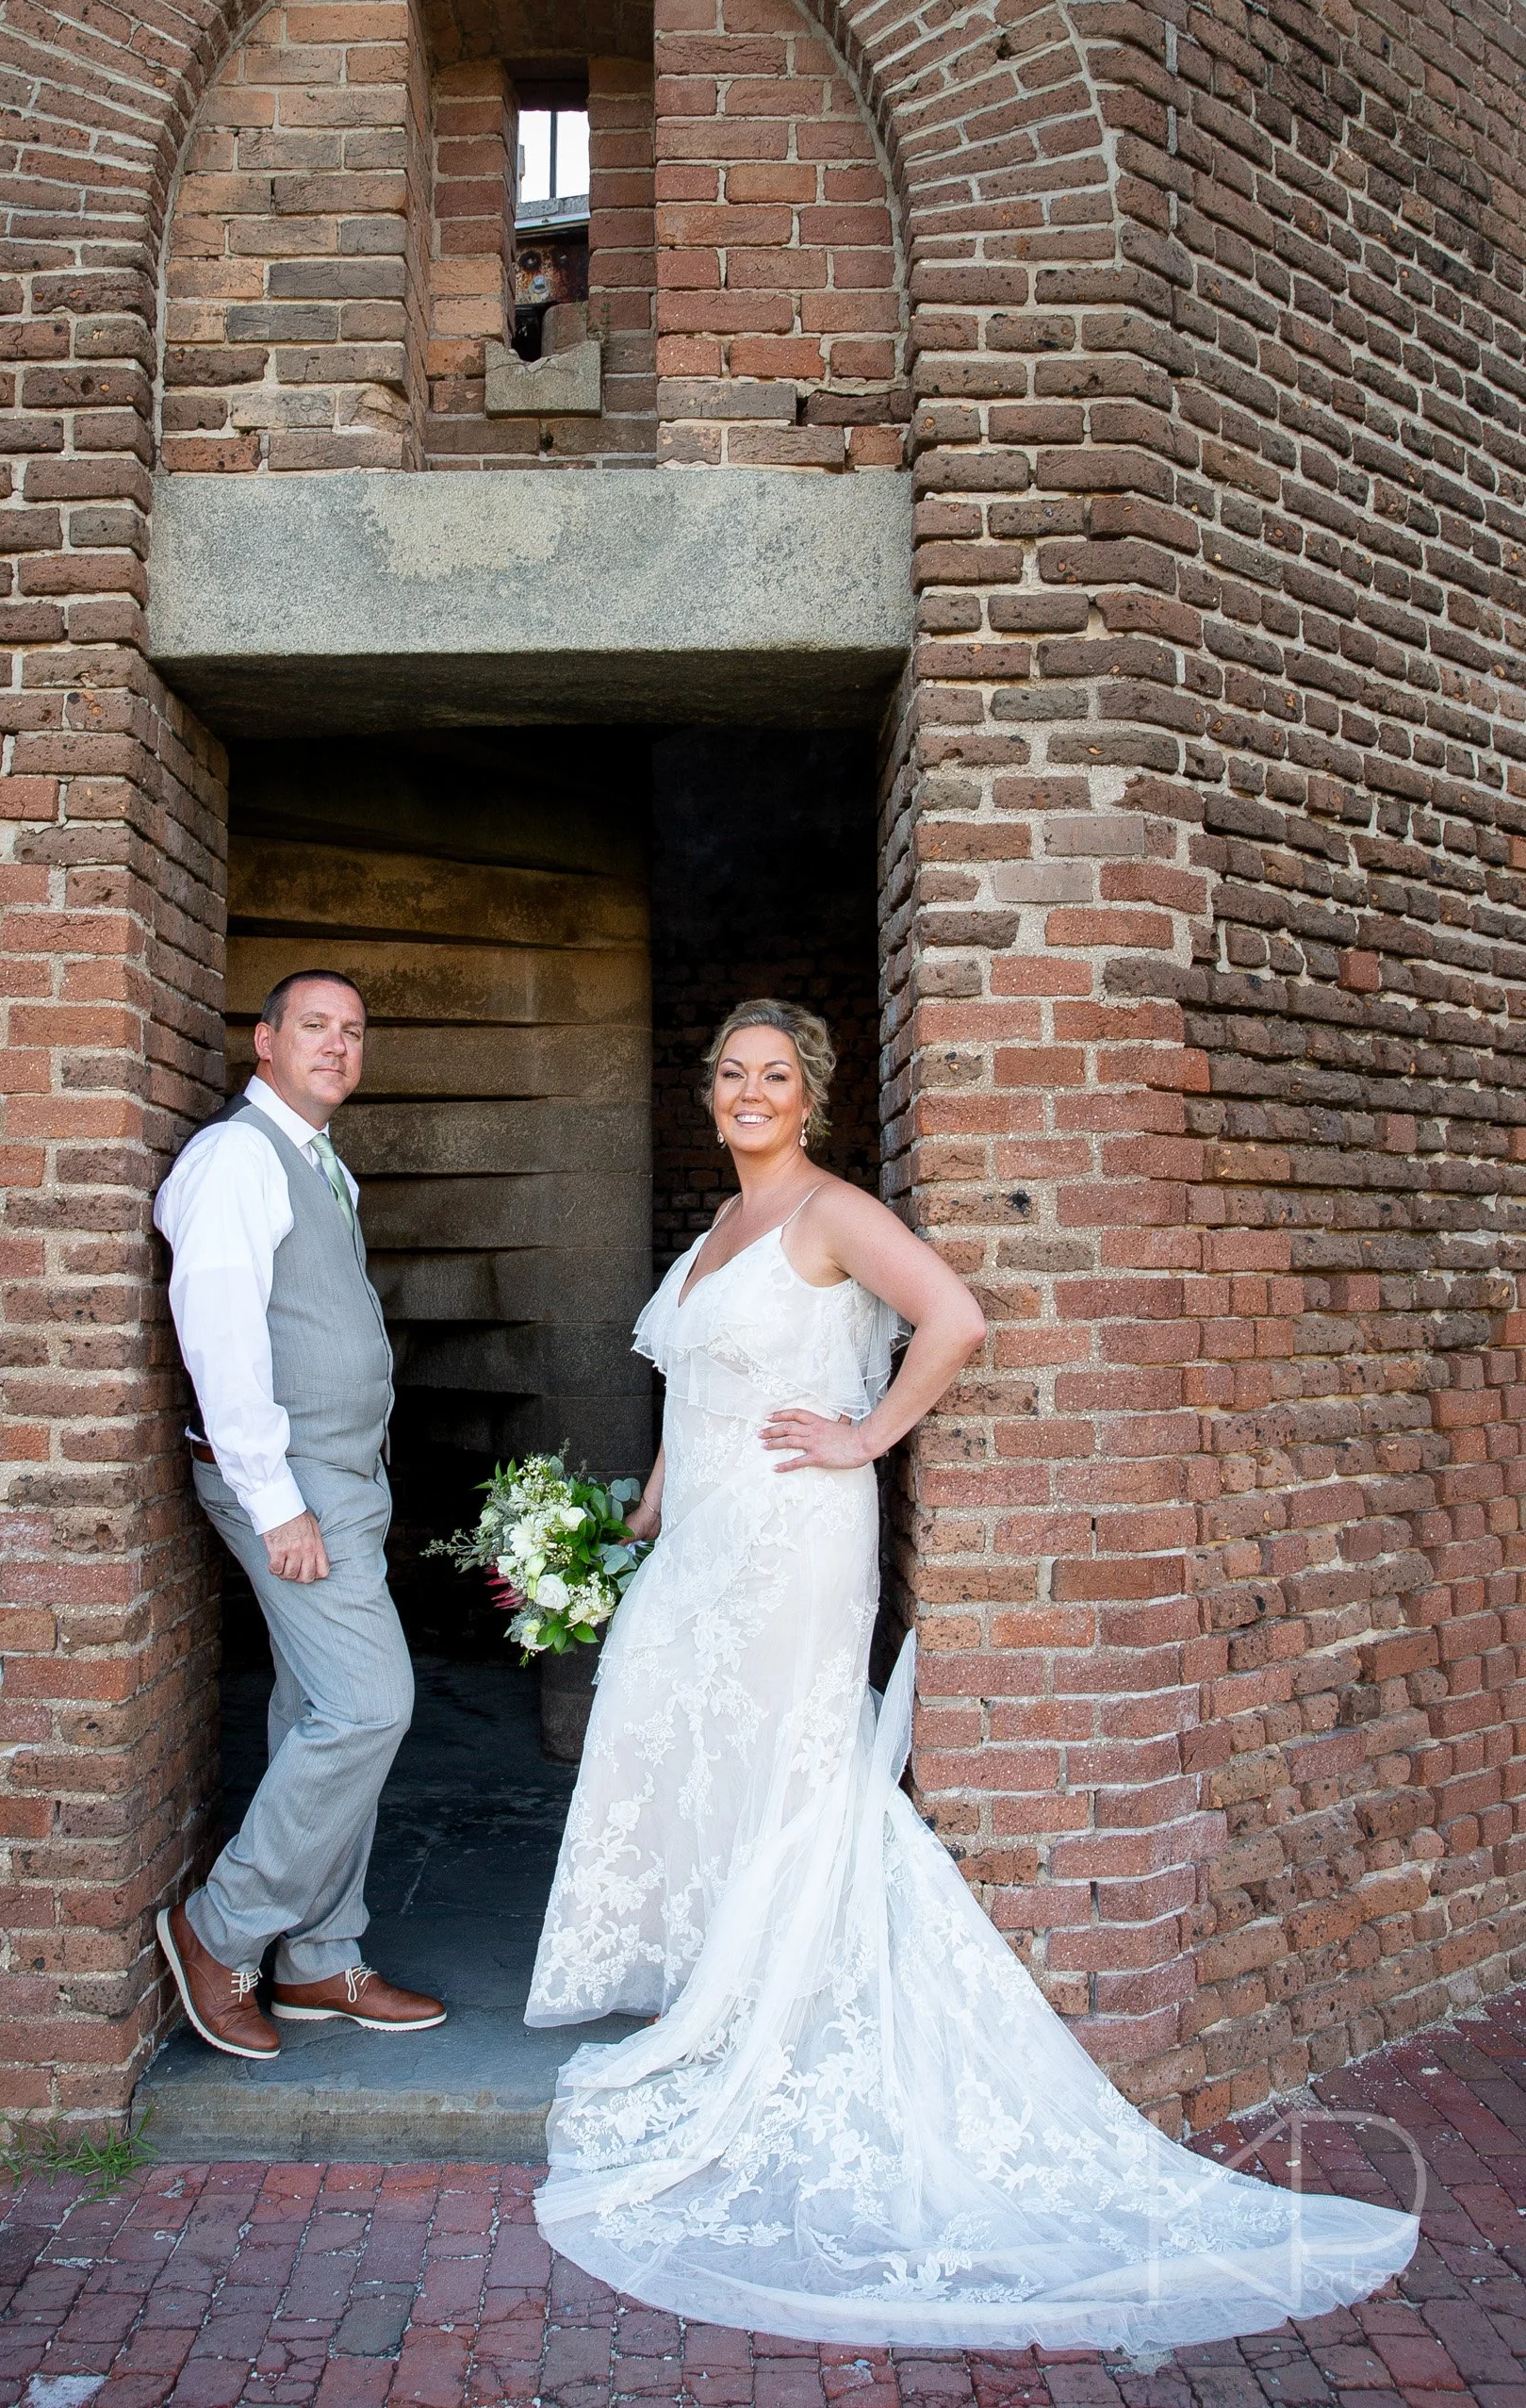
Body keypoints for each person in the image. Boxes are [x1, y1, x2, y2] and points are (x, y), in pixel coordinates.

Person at [527, 998, 1417, 2351]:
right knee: (691, 1757)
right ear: (709, 1096)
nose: (750, 1092)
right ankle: (725, 2005)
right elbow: (690, 1399)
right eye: (731, 1074)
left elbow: (955, 1316)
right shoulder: (717, 1233)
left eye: (774, 1074)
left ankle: (781, 2023)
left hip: (796, 1545)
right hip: (702, 1545)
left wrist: (866, 1437)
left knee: (791, 1772)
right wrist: (635, 1518)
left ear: (808, 1097)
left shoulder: (831, 1212)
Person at [151, 969, 446, 2059]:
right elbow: (218, 1337)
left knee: (316, 1712)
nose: (337, 1045)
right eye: (314, 1027)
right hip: (289, 1484)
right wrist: (278, 1504)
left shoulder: (321, 1164)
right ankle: (219, 1927)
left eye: (354, 1031)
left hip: (340, 1476)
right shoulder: (235, 1157)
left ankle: (318, 1958)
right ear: (265, 1043)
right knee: (369, 1706)